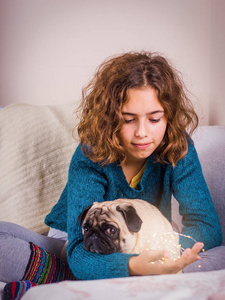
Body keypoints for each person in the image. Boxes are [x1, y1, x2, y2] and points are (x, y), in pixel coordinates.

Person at [1, 51, 224, 299]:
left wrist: (163, 253)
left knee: (221, 255)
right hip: (74, 244)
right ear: (109, 119)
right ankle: (105, 279)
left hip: (145, 243)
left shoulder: (178, 148)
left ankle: (59, 279)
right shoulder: (90, 155)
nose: (142, 132)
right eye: (129, 120)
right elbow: (79, 250)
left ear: (168, 118)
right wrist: (134, 266)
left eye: (154, 118)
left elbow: (208, 228)